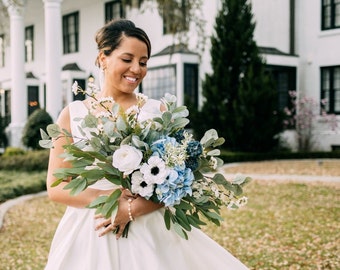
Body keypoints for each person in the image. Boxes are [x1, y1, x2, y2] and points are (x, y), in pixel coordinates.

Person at [45, 19, 249, 270]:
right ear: (103, 58)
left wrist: (132, 210)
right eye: (127, 59)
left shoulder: (158, 112)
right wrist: (111, 199)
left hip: (150, 229)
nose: (136, 69)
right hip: (90, 231)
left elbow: (180, 179)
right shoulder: (72, 114)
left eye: (143, 62)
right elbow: (56, 188)